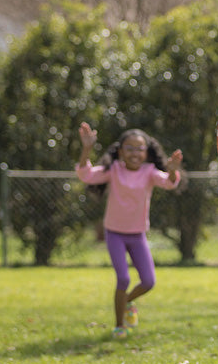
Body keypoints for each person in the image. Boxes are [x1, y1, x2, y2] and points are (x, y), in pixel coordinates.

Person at [76, 122, 183, 339]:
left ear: (147, 152)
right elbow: (86, 174)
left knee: (148, 282)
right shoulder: (113, 170)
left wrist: (172, 172)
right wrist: (86, 148)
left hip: (137, 234)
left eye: (140, 148)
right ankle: (119, 326)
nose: (135, 153)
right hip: (114, 233)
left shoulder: (150, 172)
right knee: (123, 279)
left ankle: (127, 303)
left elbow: (169, 183)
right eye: (130, 148)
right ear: (120, 151)